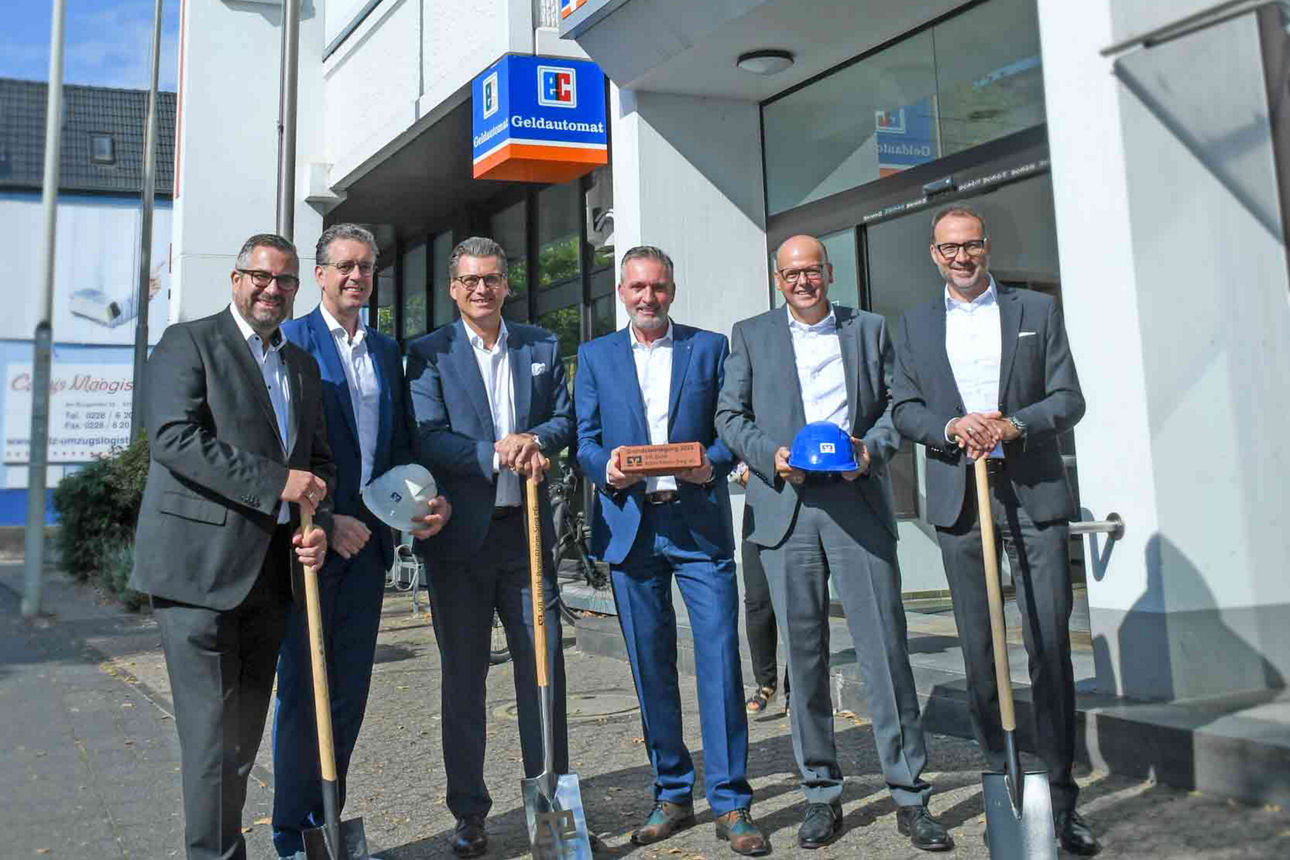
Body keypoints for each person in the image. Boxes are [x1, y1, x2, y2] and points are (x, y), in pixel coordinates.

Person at [715, 234, 952, 852]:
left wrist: (872, 450)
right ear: (778, 279)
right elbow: (729, 416)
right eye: (792, 273)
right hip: (787, 508)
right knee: (805, 660)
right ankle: (820, 793)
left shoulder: (869, 329)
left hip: (856, 504)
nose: (803, 281)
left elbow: (898, 405)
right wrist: (772, 456)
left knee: (885, 654)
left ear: (830, 272)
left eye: (813, 270)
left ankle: (910, 794)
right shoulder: (751, 335)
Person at [890, 205, 1098, 855]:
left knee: (1048, 648)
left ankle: (1060, 801)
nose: (962, 256)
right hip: (962, 500)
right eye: (949, 248)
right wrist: (952, 427)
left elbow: (1069, 399)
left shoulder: (1035, 311)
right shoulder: (915, 324)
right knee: (981, 655)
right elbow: (904, 410)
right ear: (934, 254)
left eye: (971, 244)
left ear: (987, 246)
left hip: (1032, 495)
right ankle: (1003, 786)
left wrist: (1013, 424)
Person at [129, 233, 332, 860]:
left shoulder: (301, 367)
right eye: (261, 277)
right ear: (236, 279)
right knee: (213, 742)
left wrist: (316, 522)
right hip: (198, 576)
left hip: (270, 579)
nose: (273, 289)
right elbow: (173, 438)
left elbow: (317, 464)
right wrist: (276, 483)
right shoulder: (188, 343)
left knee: (241, 741)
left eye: (285, 280)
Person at [574, 246, 769, 856]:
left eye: (657, 287)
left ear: (672, 291)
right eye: (637, 287)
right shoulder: (595, 355)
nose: (647, 297)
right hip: (631, 528)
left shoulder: (709, 348)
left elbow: (731, 428)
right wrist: (607, 469)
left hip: (697, 526)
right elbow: (584, 439)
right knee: (651, 666)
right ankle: (672, 792)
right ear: (621, 292)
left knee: (720, 661)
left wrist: (709, 464)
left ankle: (731, 801)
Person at [271, 224, 451, 857]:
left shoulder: (384, 349)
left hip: (368, 547)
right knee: (304, 692)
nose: (356, 277)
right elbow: (283, 447)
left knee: (348, 693)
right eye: (344, 266)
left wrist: (416, 505)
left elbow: (396, 447)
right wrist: (328, 516)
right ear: (320, 274)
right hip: (310, 545)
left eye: (366, 267)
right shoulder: (291, 341)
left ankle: (328, 823)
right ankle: (292, 834)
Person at [405, 236, 575, 858]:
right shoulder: (428, 354)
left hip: (525, 538)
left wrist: (535, 438)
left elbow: (565, 419)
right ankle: (469, 814)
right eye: (471, 280)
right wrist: (494, 453)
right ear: (454, 289)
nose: (482, 288)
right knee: (464, 680)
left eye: (493, 278)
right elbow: (426, 435)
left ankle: (551, 813)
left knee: (543, 673)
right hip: (459, 544)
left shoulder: (539, 345)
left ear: (507, 284)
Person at [731, 462, 788, 717]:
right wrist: (740, 472)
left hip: (802, 499)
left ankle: (797, 688)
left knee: (798, 602)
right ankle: (766, 683)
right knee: (757, 600)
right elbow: (729, 439)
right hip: (760, 503)